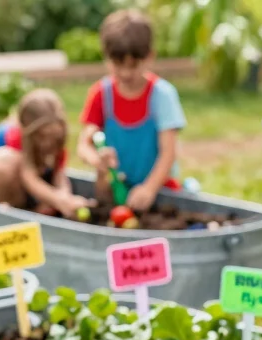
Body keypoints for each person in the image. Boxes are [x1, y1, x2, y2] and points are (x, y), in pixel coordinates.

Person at [77, 9, 186, 212]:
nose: (126, 73)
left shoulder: (162, 95)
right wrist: (97, 160)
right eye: (118, 64)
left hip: (160, 190)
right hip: (117, 190)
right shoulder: (101, 94)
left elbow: (168, 153)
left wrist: (149, 189)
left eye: (134, 65)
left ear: (150, 56)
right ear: (106, 57)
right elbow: (84, 144)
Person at [0, 89, 89, 219]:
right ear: (26, 130)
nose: (47, 142)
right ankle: (14, 212)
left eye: (53, 137)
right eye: (42, 136)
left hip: (28, 188)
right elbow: (29, 177)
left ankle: (33, 210)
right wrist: (57, 200)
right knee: (7, 161)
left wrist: (66, 198)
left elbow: (59, 174)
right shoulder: (14, 135)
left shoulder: (55, 140)